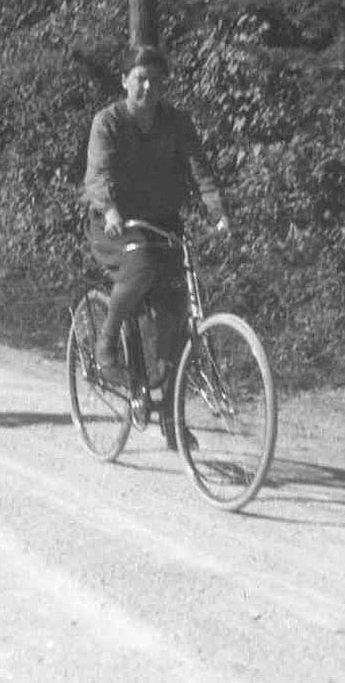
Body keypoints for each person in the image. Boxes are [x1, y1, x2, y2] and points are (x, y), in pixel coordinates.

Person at [81, 45, 231, 429]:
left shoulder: (177, 123)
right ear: (125, 81)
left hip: (162, 223)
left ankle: (169, 413)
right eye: (140, 79)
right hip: (113, 224)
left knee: (176, 310)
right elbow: (97, 173)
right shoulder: (108, 121)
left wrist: (219, 212)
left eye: (156, 81)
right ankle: (107, 344)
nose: (148, 87)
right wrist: (110, 208)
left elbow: (201, 171)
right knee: (142, 264)